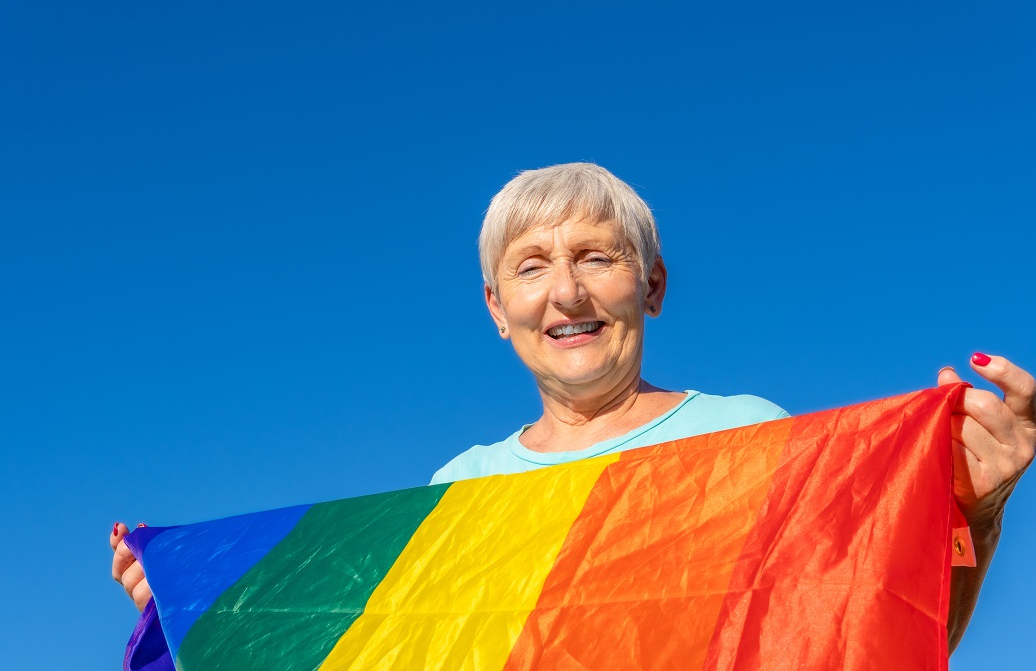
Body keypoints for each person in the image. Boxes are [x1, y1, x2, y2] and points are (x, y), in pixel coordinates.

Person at [113, 162, 1036, 654]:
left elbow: (863, 634)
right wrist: (208, 605)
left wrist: (980, 514)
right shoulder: (462, 491)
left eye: (598, 257)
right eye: (531, 267)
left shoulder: (751, 436)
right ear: (496, 311)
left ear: (652, 285)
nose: (567, 293)